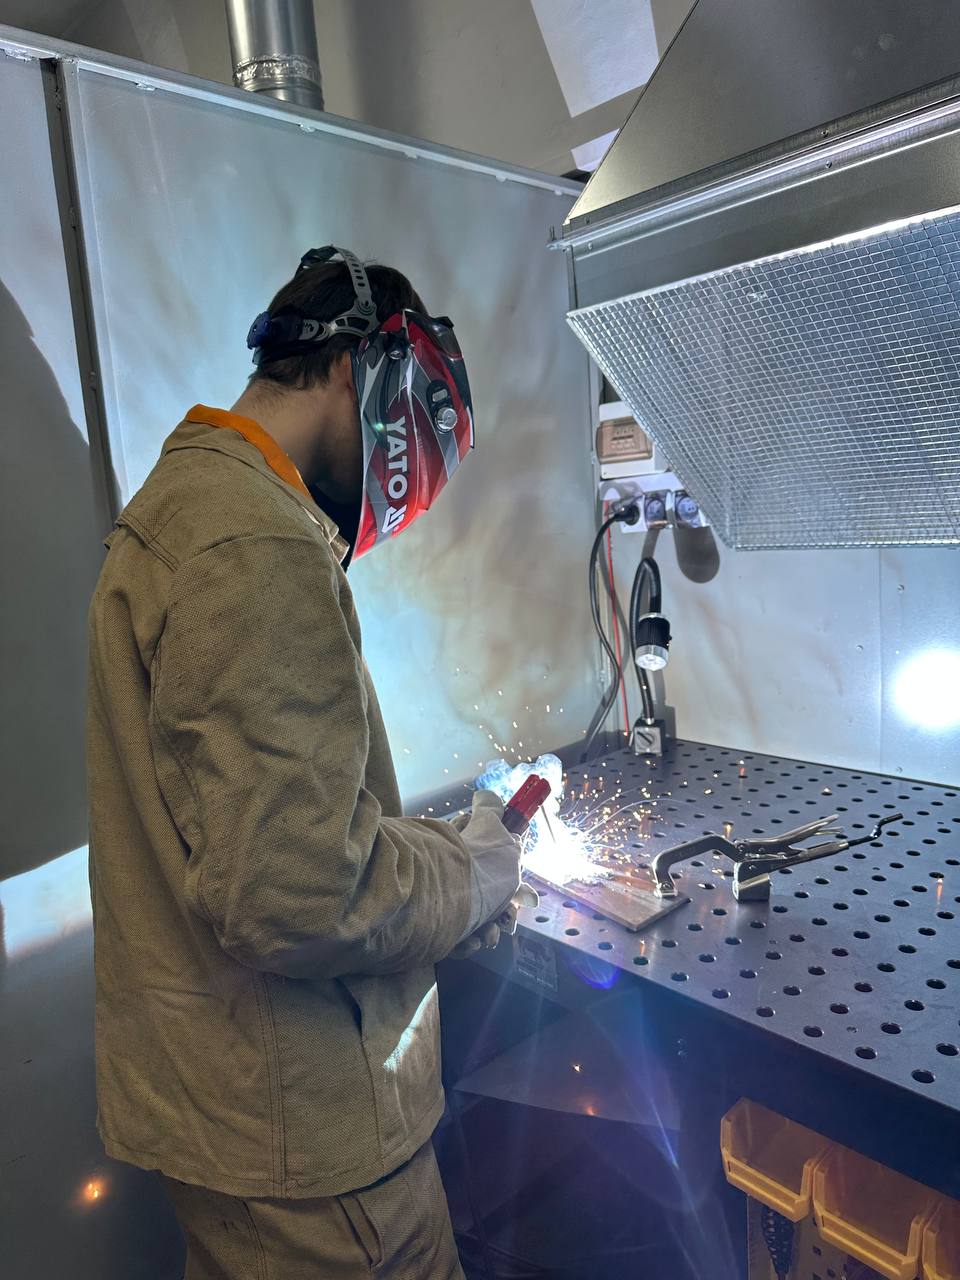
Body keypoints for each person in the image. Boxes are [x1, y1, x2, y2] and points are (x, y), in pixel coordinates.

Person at [87, 246, 525, 1279]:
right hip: (315, 1160)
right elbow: (301, 895)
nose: (412, 485)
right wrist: (476, 871)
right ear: (352, 371)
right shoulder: (254, 543)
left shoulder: (189, 502)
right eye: (417, 434)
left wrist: (430, 865)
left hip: (239, 1117)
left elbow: (251, 840)